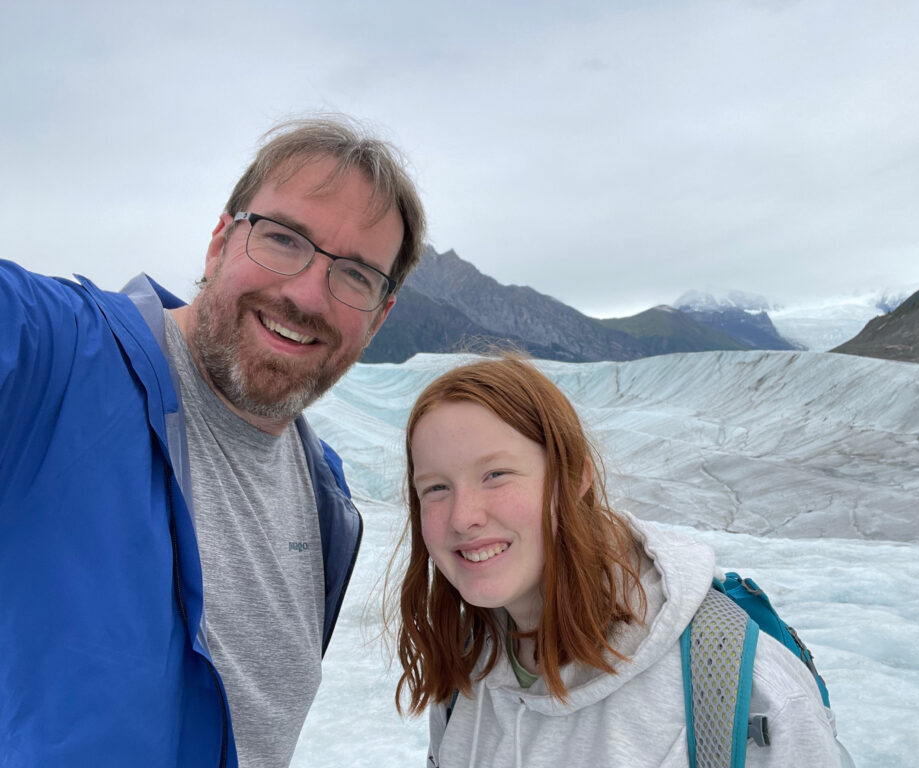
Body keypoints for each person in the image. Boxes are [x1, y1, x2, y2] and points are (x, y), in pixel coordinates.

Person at [0, 116, 425, 768]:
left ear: (380, 315)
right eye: (285, 240)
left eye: (357, 276)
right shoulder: (60, 361)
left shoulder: (326, 503)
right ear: (220, 242)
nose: (307, 294)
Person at [390, 356, 845, 767]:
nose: (463, 517)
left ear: (576, 477)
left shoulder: (740, 689)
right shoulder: (468, 666)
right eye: (435, 487)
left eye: (496, 475)